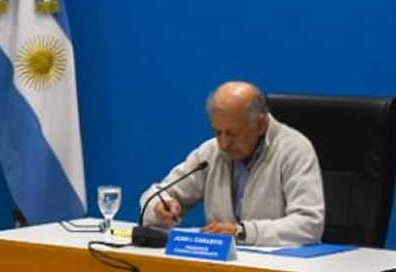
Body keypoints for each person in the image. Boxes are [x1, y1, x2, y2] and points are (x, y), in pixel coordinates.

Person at [139, 82, 324, 246]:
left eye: (232, 134)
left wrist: (242, 232)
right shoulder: (211, 152)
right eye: (217, 132)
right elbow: (157, 194)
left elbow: (309, 224)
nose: (223, 143)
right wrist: (159, 207)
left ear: (260, 125)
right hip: (223, 267)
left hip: (283, 270)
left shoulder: (294, 150)